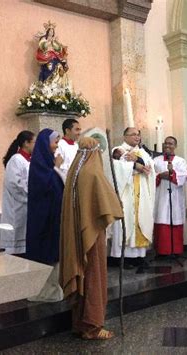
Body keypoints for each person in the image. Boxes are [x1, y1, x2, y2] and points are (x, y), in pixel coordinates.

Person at [60, 137, 123, 340]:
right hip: (92, 234)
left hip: (78, 233)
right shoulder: (93, 172)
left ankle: (80, 323)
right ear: (96, 152)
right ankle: (92, 326)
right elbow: (108, 204)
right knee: (94, 275)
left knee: (84, 275)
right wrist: (118, 205)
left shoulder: (75, 170)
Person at [108, 127, 156, 269]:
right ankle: (122, 258)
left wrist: (138, 160)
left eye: (138, 134)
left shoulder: (142, 152)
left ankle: (139, 257)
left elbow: (150, 168)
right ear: (125, 136)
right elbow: (116, 167)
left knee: (141, 220)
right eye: (133, 134)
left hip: (141, 192)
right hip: (126, 193)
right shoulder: (118, 150)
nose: (137, 137)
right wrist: (135, 166)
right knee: (126, 222)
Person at [26, 128, 64, 302]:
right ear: (44, 143)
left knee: (53, 252)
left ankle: (53, 290)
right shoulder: (38, 165)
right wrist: (56, 168)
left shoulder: (48, 162)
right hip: (42, 218)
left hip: (53, 216)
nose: (57, 146)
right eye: (55, 142)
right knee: (44, 252)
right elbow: (45, 186)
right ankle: (43, 292)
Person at [0, 130, 35, 255]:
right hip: (17, 205)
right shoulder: (16, 160)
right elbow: (15, 184)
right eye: (34, 142)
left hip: (26, 206)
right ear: (26, 143)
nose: (35, 145)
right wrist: (31, 195)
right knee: (16, 237)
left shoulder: (29, 160)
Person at [153, 136, 187, 256]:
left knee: (175, 218)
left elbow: (183, 176)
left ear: (175, 146)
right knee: (161, 217)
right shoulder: (155, 160)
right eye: (166, 143)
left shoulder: (180, 161)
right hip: (160, 196)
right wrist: (158, 176)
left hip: (175, 196)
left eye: (171, 144)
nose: (168, 145)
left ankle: (176, 250)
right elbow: (150, 177)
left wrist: (172, 174)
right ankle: (162, 251)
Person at [56, 118, 81, 184]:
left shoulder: (77, 145)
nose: (79, 133)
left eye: (79, 130)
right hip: (66, 183)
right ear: (67, 131)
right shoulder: (59, 145)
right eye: (77, 130)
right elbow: (59, 168)